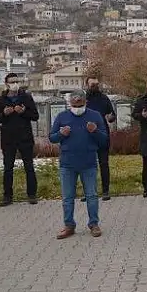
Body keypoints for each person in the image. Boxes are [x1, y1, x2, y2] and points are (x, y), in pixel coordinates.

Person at [49, 90, 108, 239]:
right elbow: (52, 137)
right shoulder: (62, 116)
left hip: (88, 162)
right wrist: (62, 134)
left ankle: (93, 224)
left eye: (80, 104)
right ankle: (69, 225)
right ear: (70, 104)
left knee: (92, 195)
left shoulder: (95, 116)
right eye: (74, 105)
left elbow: (104, 140)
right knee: (67, 197)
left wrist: (95, 131)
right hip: (67, 164)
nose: (77, 108)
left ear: (85, 102)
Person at [0, 73, 40, 207]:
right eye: (12, 82)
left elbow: (35, 116)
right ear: (6, 84)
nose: (14, 84)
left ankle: (32, 194)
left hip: (25, 138)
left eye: (16, 81)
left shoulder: (26, 97)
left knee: (29, 166)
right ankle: (7, 196)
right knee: (8, 168)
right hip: (8, 139)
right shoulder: (1, 100)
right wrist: (4, 114)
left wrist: (23, 112)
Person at [85, 76, 116, 201]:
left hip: (102, 135)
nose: (95, 87)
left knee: (104, 164)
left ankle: (105, 191)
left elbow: (112, 114)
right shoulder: (83, 99)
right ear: (87, 85)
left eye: (97, 85)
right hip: (86, 136)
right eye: (93, 85)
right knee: (87, 165)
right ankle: (89, 192)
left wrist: (111, 118)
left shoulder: (104, 98)